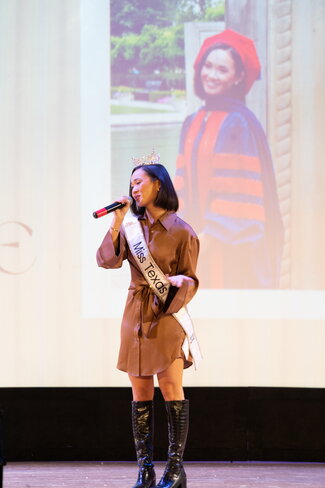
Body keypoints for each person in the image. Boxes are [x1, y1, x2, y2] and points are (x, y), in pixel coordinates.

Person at [96, 151, 201, 488]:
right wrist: (116, 221)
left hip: (166, 314)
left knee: (170, 388)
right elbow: (107, 261)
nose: (134, 188)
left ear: (158, 185)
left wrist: (179, 283)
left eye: (139, 182)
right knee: (140, 391)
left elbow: (191, 278)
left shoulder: (182, 231)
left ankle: (175, 469)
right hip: (135, 313)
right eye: (131, 184)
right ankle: (145, 469)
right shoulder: (131, 227)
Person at [174, 29, 284, 289]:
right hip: (196, 244)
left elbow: (237, 199)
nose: (211, 75)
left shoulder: (237, 123)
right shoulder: (193, 121)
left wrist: (199, 245)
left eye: (222, 70)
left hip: (230, 252)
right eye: (208, 66)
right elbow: (181, 185)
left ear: (238, 78)